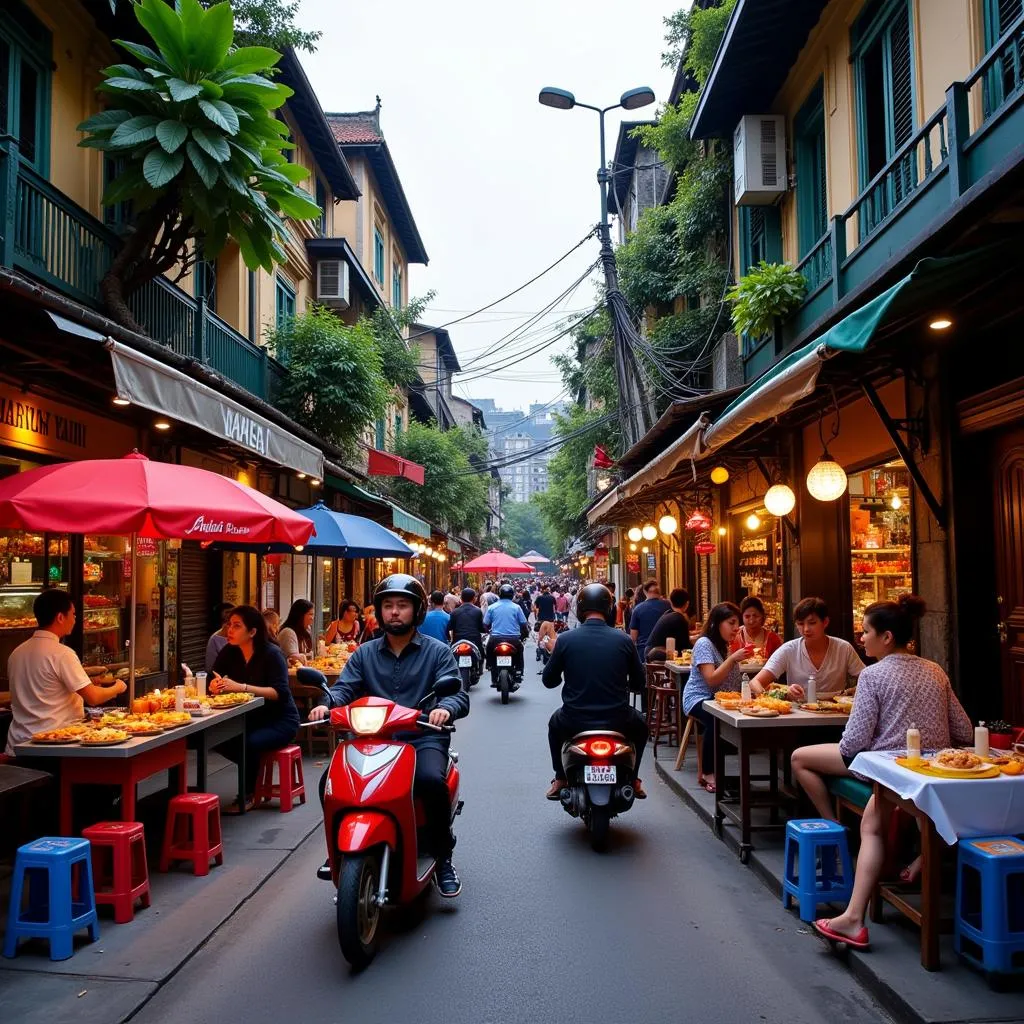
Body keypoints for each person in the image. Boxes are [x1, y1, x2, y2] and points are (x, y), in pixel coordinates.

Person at [801, 596, 974, 951]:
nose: (861, 638)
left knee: (872, 825)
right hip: (932, 774)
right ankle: (915, 862)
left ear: (888, 637)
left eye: (866, 632)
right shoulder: (935, 670)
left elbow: (853, 743)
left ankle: (852, 918)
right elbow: (966, 732)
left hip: (892, 772)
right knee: (906, 816)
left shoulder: (874, 675)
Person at [310, 574, 469, 897]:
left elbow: (457, 694)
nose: (394, 612)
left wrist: (446, 709)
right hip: (372, 740)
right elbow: (343, 689)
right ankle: (337, 849)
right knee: (328, 781)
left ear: (417, 611)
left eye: (402, 606)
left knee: (429, 782)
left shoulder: (437, 652)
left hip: (421, 736)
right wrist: (326, 705)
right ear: (379, 612)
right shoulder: (364, 654)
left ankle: (442, 857)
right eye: (388, 606)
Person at [542, 584, 649, 800]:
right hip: (619, 719)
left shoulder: (565, 640)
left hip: (574, 719)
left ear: (580, 610)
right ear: (608, 608)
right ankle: (634, 779)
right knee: (642, 728)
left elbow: (549, 681)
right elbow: (639, 682)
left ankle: (560, 777)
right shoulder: (624, 640)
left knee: (554, 725)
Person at [6, 589, 128, 755]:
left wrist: (88, 678)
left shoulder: (16, 653)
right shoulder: (62, 654)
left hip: (17, 744)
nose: (75, 619)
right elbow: (93, 697)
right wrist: (118, 687)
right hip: (53, 745)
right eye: (73, 614)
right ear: (60, 617)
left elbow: (44, 685)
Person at [210, 605, 300, 813]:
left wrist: (241, 687)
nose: (230, 630)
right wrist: (214, 685)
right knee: (216, 739)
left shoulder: (272, 654)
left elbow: (280, 693)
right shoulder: (229, 651)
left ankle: (248, 794)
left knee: (248, 744)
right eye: (229, 625)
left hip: (280, 720)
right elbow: (213, 676)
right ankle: (254, 767)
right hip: (248, 719)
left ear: (252, 632)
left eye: (237, 626)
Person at [683, 603, 753, 794]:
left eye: (737, 624)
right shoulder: (704, 643)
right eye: (731, 623)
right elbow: (712, 679)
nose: (735, 628)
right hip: (699, 697)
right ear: (716, 623)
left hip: (721, 699)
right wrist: (733, 659)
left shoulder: (724, 646)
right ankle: (708, 772)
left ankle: (740, 776)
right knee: (716, 719)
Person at [750, 597, 864, 699]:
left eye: (812, 623)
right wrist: (780, 694)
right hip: (798, 716)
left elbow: (869, 678)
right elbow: (754, 683)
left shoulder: (843, 648)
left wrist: (853, 691)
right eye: (800, 624)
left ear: (825, 622)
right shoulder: (789, 650)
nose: (806, 629)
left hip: (837, 715)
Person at [483, 583, 529, 677]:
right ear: (512, 595)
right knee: (520, 650)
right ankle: (519, 669)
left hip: (495, 639)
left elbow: (485, 624)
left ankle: (489, 665)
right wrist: (525, 634)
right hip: (513, 639)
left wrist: (488, 632)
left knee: (489, 647)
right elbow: (524, 624)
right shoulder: (517, 607)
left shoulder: (492, 607)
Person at [645, 588, 693, 662]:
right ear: (687, 604)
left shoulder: (668, 613)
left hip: (650, 653)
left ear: (670, 602)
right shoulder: (679, 619)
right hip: (658, 656)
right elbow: (685, 647)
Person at [629, 580, 671, 661]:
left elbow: (633, 637)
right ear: (659, 592)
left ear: (645, 592)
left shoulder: (638, 609)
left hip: (643, 652)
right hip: (666, 651)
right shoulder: (668, 605)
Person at [448, 587, 486, 652]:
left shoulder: (454, 612)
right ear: (474, 599)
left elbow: (450, 627)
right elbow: (481, 628)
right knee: (481, 656)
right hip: (474, 641)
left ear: (461, 598)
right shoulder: (478, 611)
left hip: (458, 640)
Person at [205, 602, 235, 672]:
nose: (230, 615)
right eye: (227, 612)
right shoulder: (214, 639)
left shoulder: (242, 637)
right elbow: (210, 668)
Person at [533, 584, 557, 662]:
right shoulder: (552, 598)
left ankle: (539, 649)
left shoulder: (539, 598)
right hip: (550, 620)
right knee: (550, 637)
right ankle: (548, 649)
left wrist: (536, 617)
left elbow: (535, 608)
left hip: (541, 620)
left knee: (541, 636)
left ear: (542, 590)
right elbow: (555, 608)